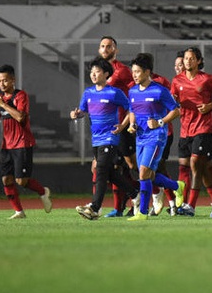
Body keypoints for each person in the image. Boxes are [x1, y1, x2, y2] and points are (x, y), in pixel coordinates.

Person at [0, 64, 52, 219]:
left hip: (22, 143)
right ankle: (19, 211)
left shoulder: (20, 96)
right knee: (6, 179)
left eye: (5, 80)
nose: (2, 84)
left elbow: (21, 117)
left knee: (21, 181)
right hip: (7, 145)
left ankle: (43, 192)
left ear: (13, 80)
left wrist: (3, 105)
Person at [70, 57, 139, 220]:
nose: (93, 75)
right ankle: (135, 194)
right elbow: (81, 112)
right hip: (96, 138)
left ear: (106, 74)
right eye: (92, 72)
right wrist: (76, 114)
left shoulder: (114, 92)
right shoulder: (88, 93)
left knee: (100, 169)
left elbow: (131, 108)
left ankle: (95, 207)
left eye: (97, 71)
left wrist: (122, 126)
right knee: (108, 173)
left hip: (110, 137)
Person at [170, 46, 212, 218]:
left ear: (198, 61)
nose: (188, 61)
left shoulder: (206, 79)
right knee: (205, 168)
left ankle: (190, 205)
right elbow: (172, 101)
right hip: (185, 130)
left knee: (195, 164)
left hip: (203, 127)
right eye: (185, 58)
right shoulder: (177, 81)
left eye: (191, 58)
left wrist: (210, 105)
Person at [122, 53, 184, 221]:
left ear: (147, 72)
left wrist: (160, 122)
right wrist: (131, 125)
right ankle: (176, 186)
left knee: (143, 172)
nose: (134, 75)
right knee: (148, 174)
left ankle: (142, 212)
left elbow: (176, 110)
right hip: (140, 137)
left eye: (137, 71)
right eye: (133, 71)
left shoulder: (159, 90)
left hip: (156, 136)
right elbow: (132, 110)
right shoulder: (132, 91)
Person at [96, 36, 140, 217]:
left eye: (109, 46)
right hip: (105, 127)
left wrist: (130, 121)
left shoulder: (122, 71)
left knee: (132, 165)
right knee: (113, 167)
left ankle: (147, 196)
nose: (105, 49)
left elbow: (134, 95)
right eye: (102, 46)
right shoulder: (97, 70)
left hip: (121, 126)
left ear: (116, 49)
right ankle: (119, 207)